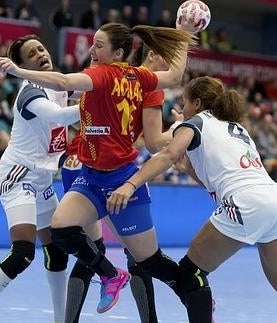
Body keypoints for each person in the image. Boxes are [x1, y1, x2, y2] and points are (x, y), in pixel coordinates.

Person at [106, 76, 277, 323]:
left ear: (197, 103)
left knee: (191, 273)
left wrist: (130, 184)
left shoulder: (193, 123)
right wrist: (187, 165)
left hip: (247, 200)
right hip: (275, 198)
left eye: (185, 102)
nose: (182, 108)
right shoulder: (234, 128)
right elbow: (213, 179)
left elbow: (165, 153)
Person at [0, 22, 196, 314]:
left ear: (118, 52)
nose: (91, 50)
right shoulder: (139, 76)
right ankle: (111, 276)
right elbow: (176, 74)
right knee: (62, 231)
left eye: (98, 45)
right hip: (89, 177)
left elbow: (63, 84)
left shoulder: (105, 75)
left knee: (148, 260)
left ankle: (194, 292)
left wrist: (19, 71)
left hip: (122, 178)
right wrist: (184, 37)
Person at [0, 35, 80, 323]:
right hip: (18, 175)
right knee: (24, 252)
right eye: (31, 53)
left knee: (57, 252)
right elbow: (63, 117)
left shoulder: (60, 85)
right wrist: (104, 107)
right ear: (23, 66)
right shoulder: (31, 92)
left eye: (41, 47)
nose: (40, 53)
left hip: (42, 179)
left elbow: (84, 98)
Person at [62, 44, 182, 323]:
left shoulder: (111, 74)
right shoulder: (148, 86)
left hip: (75, 164)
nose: (172, 68)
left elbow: (80, 113)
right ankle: (186, 294)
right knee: (139, 256)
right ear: (152, 55)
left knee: (90, 250)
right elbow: (154, 143)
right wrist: (180, 130)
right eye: (169, 59)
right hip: (109, 172)